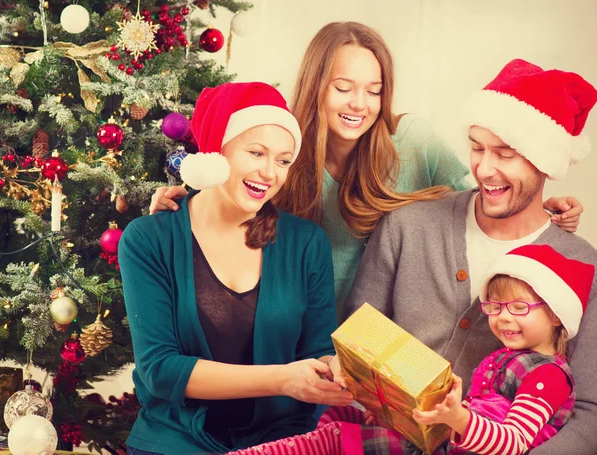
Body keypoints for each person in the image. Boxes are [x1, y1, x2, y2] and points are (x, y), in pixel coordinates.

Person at [148, 22, 582, 318]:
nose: (360, 104)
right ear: (316, 84)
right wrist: (186, 201)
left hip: (382, 334)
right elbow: (234, 199)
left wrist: (542, 210)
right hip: (294, 336)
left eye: (374, 91)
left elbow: (482, 201)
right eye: (343, 88)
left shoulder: (412, 140)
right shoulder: (282, 150)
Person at [343, 59, 597, 454]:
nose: (485, 168)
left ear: (545, 161)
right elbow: (358, 341)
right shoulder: (408, 227)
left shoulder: (583, 266)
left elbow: (588, 412)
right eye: (477, 148)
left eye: (506, 153)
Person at [118, 82, 353, 455]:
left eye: (283, 160)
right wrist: (282, 379)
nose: (269, 173)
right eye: (256, 153)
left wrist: (334, 367)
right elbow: (160, 370)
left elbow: (319, 349)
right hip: (173, 442)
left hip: (283, 441)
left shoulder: (306, 243)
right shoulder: (149, 239)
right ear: (218, 151)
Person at [410, 244, 594, 455]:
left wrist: (458, 418)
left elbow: (513, 442)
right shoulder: (501, 358)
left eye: (519, 307)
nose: (503, 317)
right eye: (495, 307)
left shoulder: (549, 375)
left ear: (555, 315)